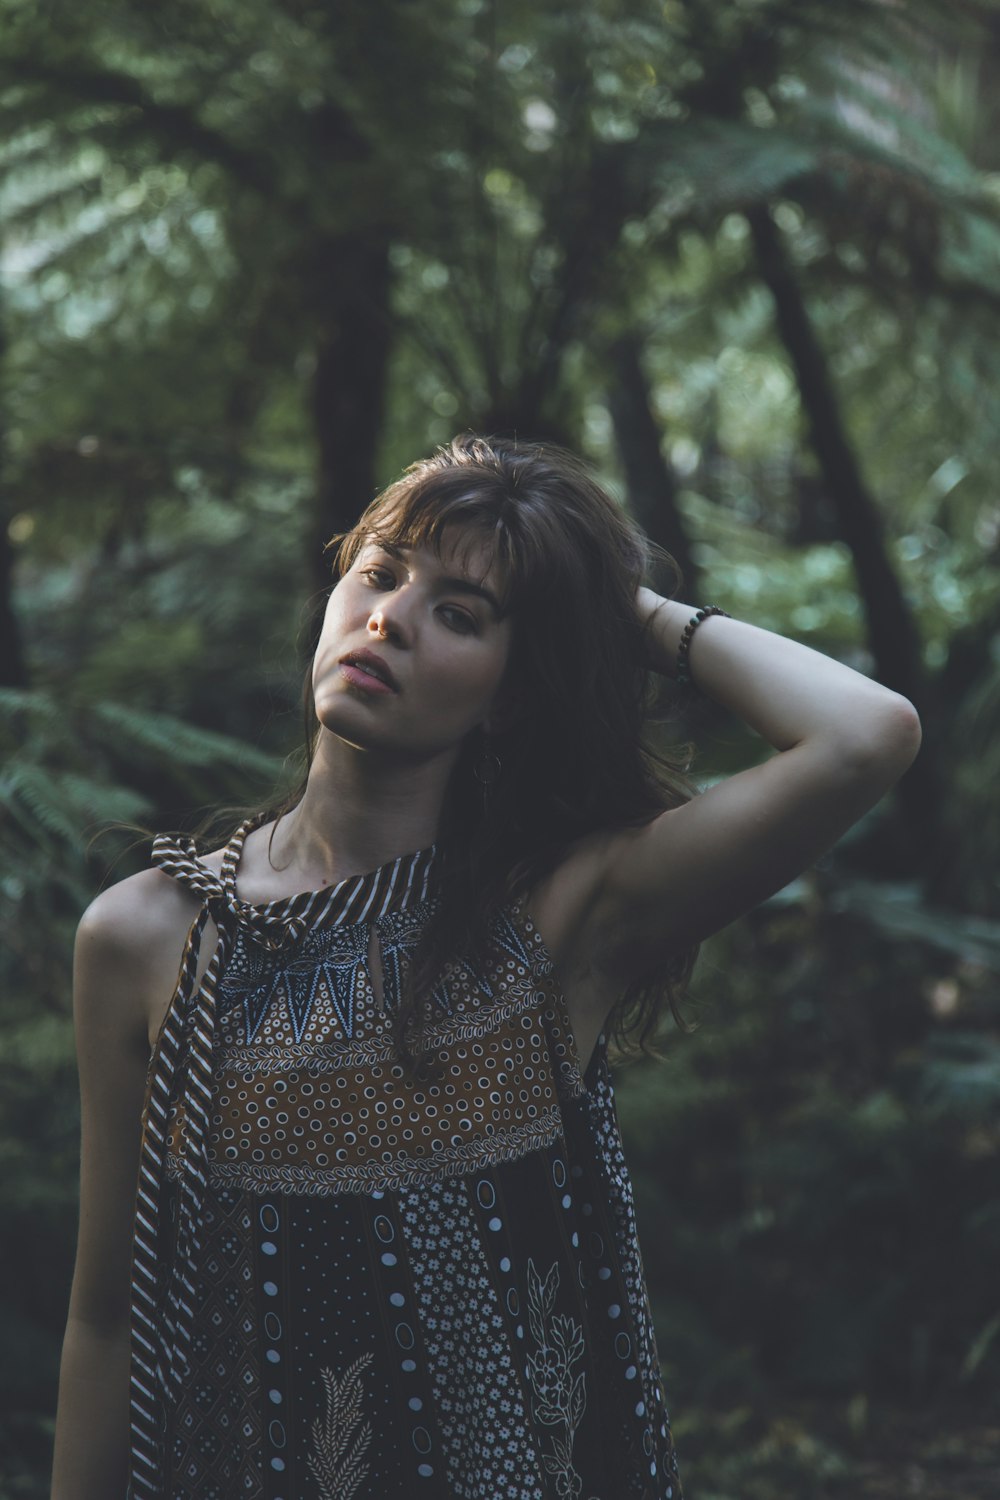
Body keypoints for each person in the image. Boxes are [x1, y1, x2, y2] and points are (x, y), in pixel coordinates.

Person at [51, 433, 921, 1500]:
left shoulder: (557, 915)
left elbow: (863, 735)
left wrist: (616, 608)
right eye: (378, 573)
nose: (390, 620)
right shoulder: (147, 937)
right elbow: (106, 1317)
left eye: (459, 615)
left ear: (513, 690)